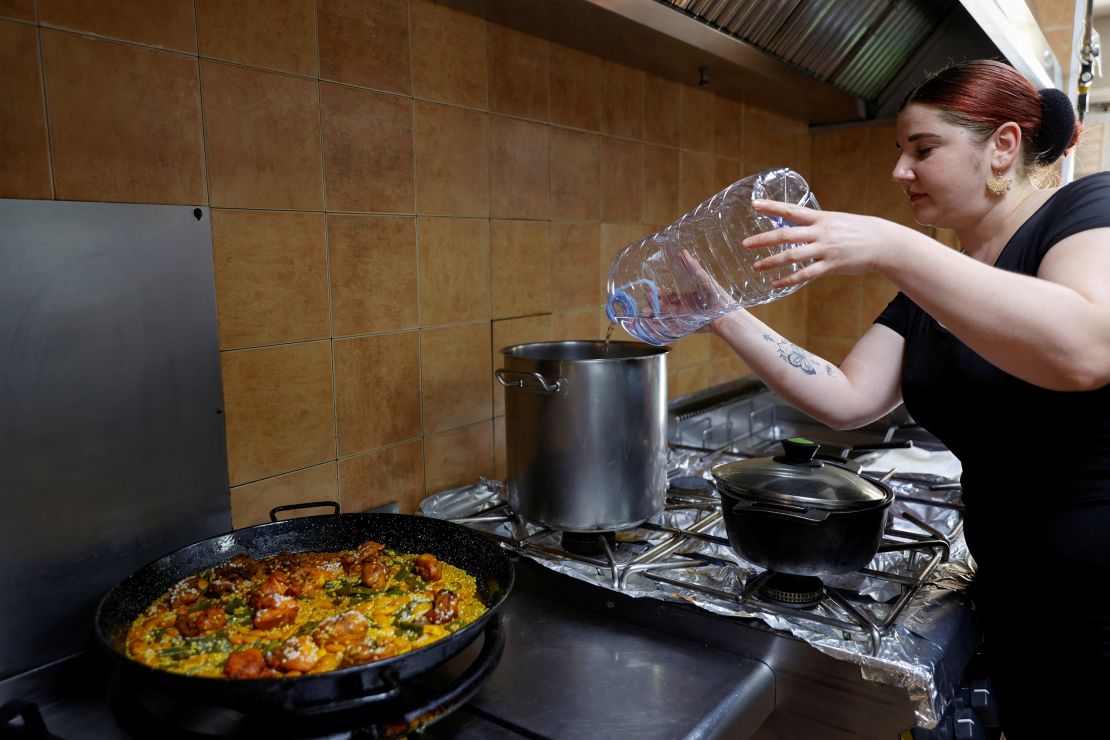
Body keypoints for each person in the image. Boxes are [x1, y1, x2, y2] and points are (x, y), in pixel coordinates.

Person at [706, 59, 1110, 737]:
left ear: (1003, 147)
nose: (900, 172)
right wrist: (718, 312)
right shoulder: (936, 281)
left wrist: (894, 246)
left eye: (923, 150)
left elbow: (1086, 348)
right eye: (901, 152)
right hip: (1015, 593)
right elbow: (846, 396)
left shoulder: (1088, 208)